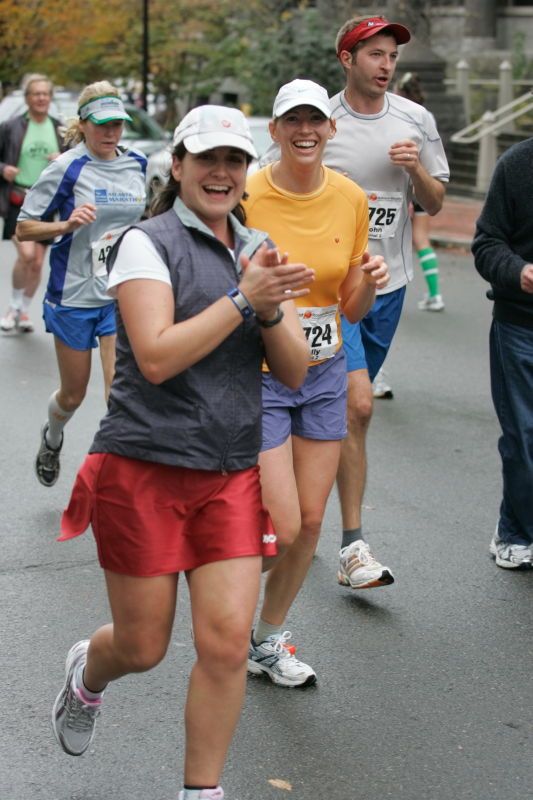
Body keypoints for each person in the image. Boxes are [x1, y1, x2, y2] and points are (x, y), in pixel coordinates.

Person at [51, 105, 314, 800]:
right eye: (207, 160)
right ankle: (89, 672)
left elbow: (290, 372)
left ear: (244, 171)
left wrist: (267, 307)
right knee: (142, 647)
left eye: (233, 161)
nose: (221, 173)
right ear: (179, 166)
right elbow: (158, 357)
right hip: (143, 470)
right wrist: (241, 297)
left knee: (226, 645)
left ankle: (201, 793)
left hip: (228, 473)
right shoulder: (146, 242)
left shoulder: (257, 247)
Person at [244, 79, 389, 686]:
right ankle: (224, 590)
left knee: (309, 520)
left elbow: (348, 310)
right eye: (291, 121)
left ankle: (266, 638)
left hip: (324, 373)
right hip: (259, 372)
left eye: (314, 121)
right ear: (274, 131)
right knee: (285, 516)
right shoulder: (248, 193)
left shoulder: (351, 197)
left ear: (331, 130)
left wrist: (371, 281)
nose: (304, 130)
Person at [325, 15, 449, 589]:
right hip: (333, 288)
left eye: (391, 56)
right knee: (359, 406)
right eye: (374, 54)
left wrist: (415, 169)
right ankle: (353, 545)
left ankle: (297, 501)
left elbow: (436, 202)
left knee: (339, 414)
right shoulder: (322, 121)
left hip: (390, 287)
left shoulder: (415, 120)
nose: (385, 65)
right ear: (348, 58)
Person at [16, 81, 147, 488]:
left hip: (118, 295)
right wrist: (66, 224)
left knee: (117, 395)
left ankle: (118, 487)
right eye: (102, 124)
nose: (111, 133)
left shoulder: (138, 164)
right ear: (85, 124)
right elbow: (23, 229)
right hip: (72, 296)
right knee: (72, 395)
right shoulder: (67, 168)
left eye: (118, 124)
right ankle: (52, 436)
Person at [472, 137, 533, 570]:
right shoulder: (517, 165)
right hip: (521, 323)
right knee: (525, 436)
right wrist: (520, 272)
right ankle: (515, 532)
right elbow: (487, 243)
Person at [0, 74, 64, 332]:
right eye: (35, 94)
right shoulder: (11, 127)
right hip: (19, 199)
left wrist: (62, 157)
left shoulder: (59, 129)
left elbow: (75, 161)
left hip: (47, 202)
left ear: (50, 98)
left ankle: (24, 311)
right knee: (26, 255)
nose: (41, 98)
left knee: (38, 263)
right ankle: (12, 306)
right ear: (27, 99)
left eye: (45, 94)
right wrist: (4, 168)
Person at [396, 71, 445, 312]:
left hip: (412, 187)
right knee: (421, 239)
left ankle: (434, 295)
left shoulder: (406, 116)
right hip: (425, 181)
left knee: (412, 238)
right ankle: (435, 294)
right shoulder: (428, 116)